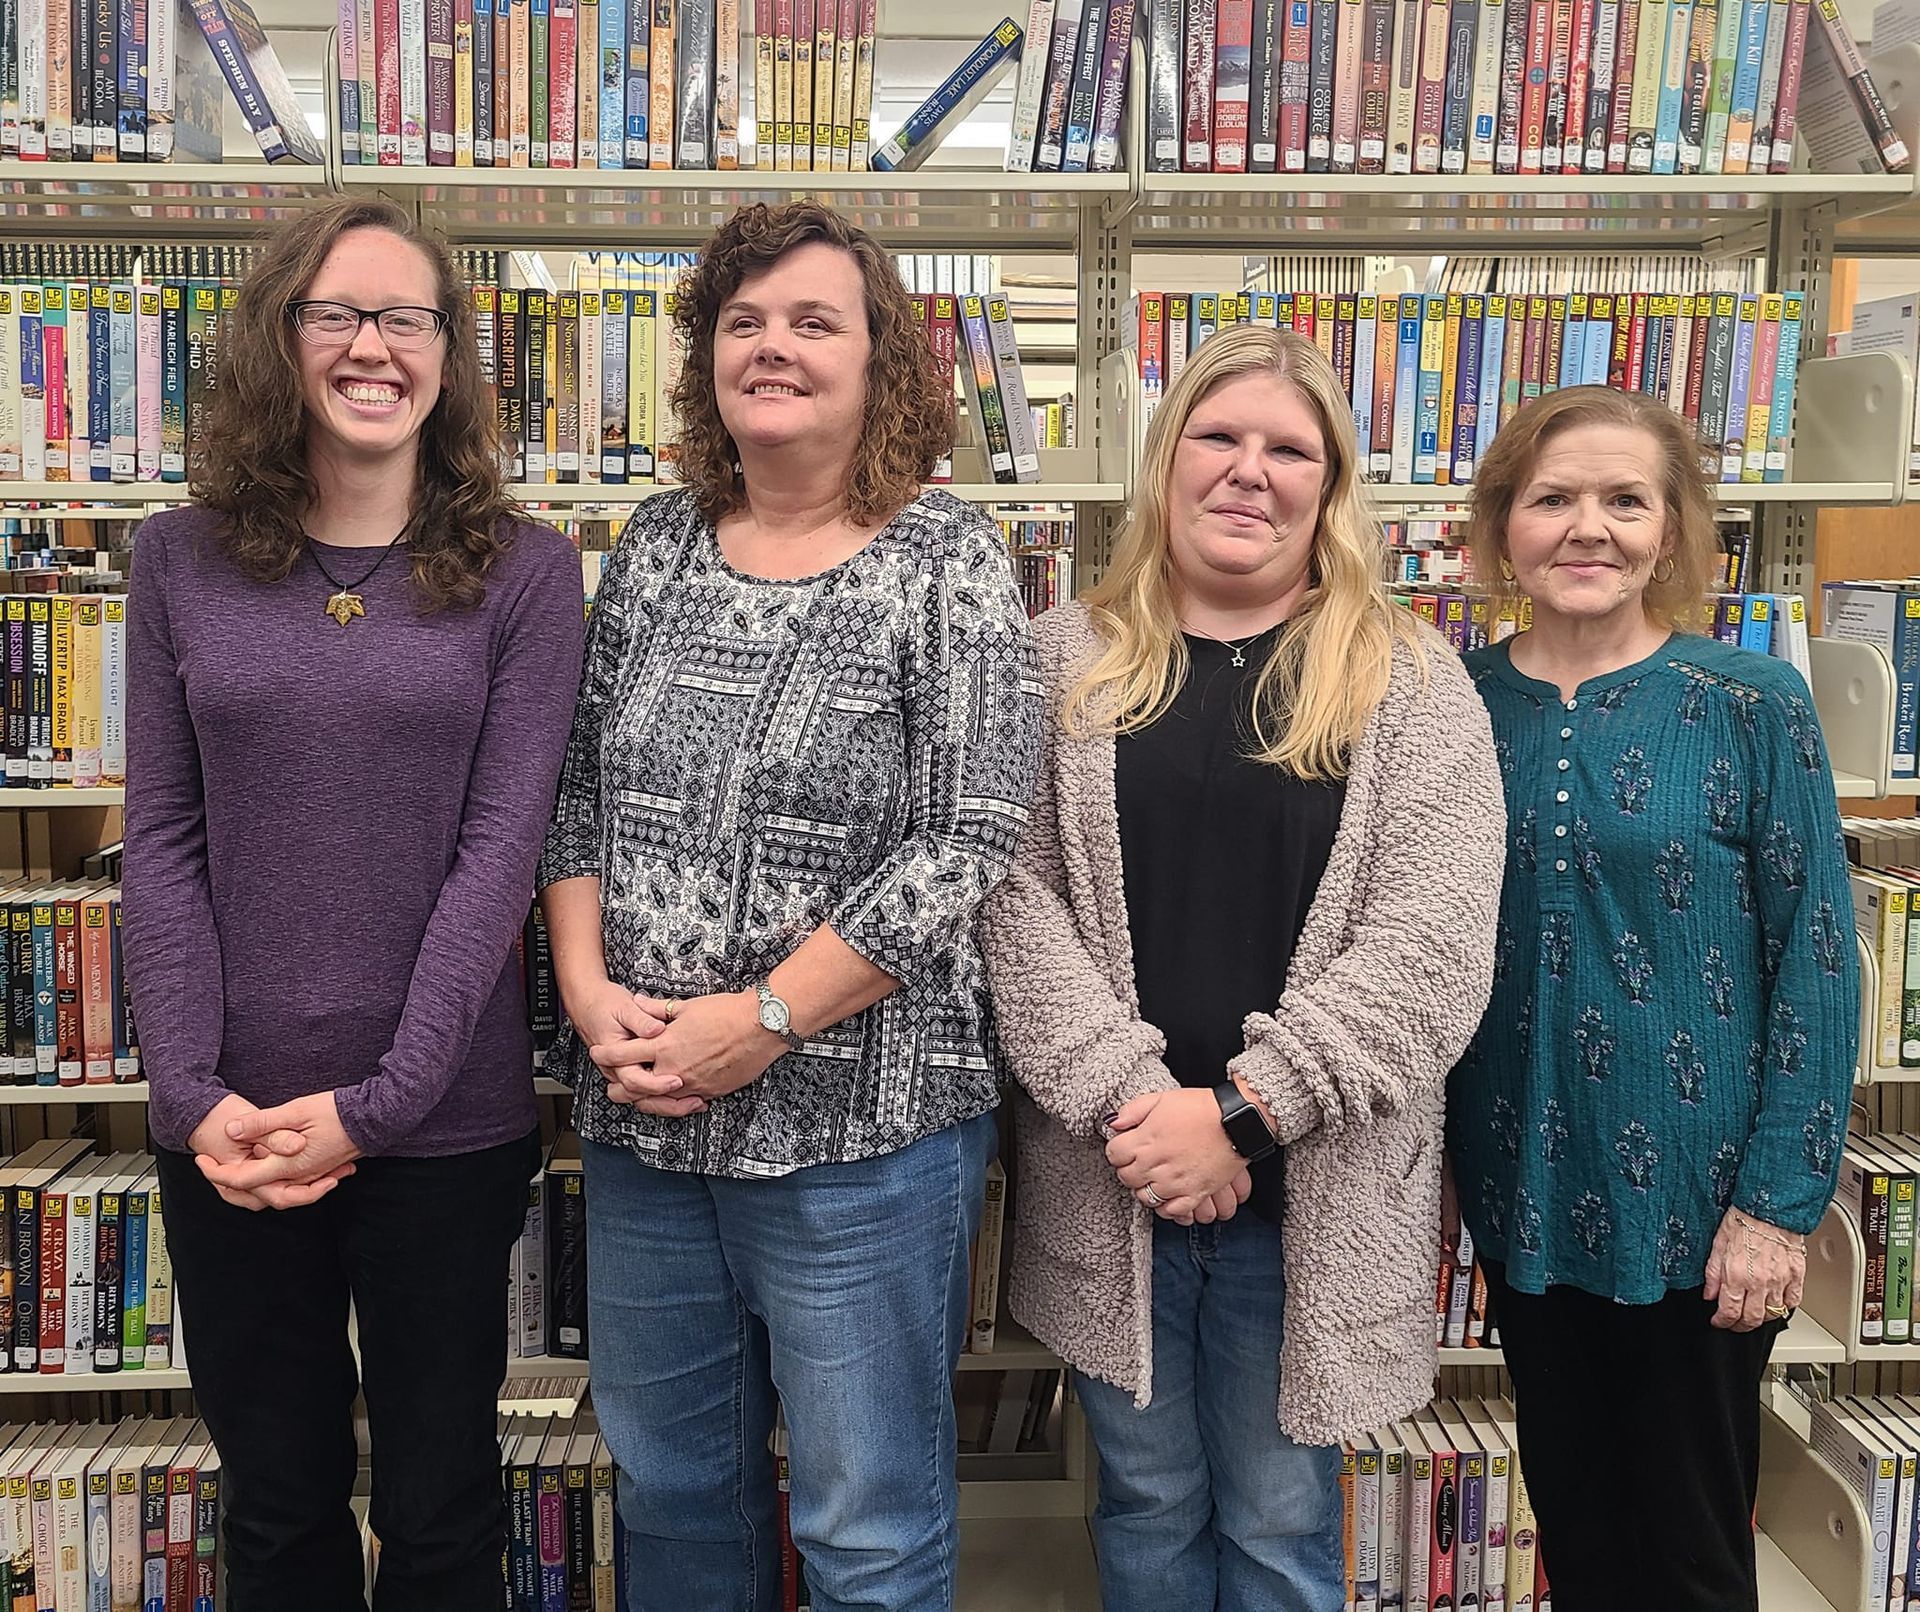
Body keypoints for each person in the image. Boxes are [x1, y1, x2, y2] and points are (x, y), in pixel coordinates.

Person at [536, 199, 1041, 1612]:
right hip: (649, 1120)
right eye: (744, 322)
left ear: (881, 361)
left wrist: (761, 1019)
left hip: (861, 1134)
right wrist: (587, 998)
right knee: (677, 1492)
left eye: (814, 321)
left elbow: (967, 836)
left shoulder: (947, 560)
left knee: (865, 1524)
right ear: (705, 359)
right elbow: (571, 793)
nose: (774, 346)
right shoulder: (653, 546)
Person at [979, 322, 1507, 1612]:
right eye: (1218, 437)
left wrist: (1240, 1114)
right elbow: (1006, 898)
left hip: (1310, 1193)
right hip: (1115, 1180)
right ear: (1166, 466)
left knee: (1277, 1528)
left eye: (1288, 448)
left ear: (1329, 487)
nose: (1248, 470)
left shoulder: (1411, 681)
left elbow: (1433, 946)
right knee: (1147, 1509)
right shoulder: (1062, 661)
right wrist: (1142, 1108)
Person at [122, 197, 585, 1612]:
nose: (373, 345)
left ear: (449, 355)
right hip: (232, 1132)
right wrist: (193, 1096)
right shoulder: (176, 561)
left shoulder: (528, 573)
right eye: (337, 313)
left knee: (442, 1515)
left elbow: (499, 858)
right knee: (275, 1512)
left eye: (407, 317)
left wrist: (377, 1105)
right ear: (282, 337)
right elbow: (162, 838)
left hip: (442, 1129)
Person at [1450, 384, 1859, 1612]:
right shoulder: (1448, 703)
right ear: (1502, 528)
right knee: (1573, 1521)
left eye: (1627, 500)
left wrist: (1779, 1209)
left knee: (1688, 1551)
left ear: (1674, 531)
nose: (1591, 528)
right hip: (1521, 1192)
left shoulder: (1751, 703)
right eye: (1554, 498)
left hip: (1703, 1214)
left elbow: (1821, 965)